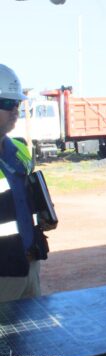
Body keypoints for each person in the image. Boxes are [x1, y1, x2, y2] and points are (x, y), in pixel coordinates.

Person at [0, 64, 53, 303]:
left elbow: (24, 202)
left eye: (18, 104)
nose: (15, 110)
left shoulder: (19, 150)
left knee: (31, 337)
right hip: (3, 274)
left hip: (29, 265)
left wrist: (43, 214)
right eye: (8, 104)